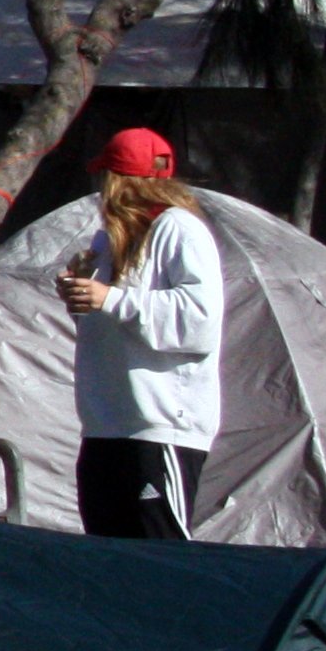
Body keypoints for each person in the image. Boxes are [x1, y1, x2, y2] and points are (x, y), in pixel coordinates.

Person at [61, 126, 223, 539]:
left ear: (118, 182)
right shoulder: (108, 240)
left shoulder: (178, 229)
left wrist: (110, 298)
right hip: (105, 424)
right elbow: (109, 322)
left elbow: (200, 322)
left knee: (161, 554)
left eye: (104, 179)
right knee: (109, 555)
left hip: (159, 424)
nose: (99, 191)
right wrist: (79, 293)